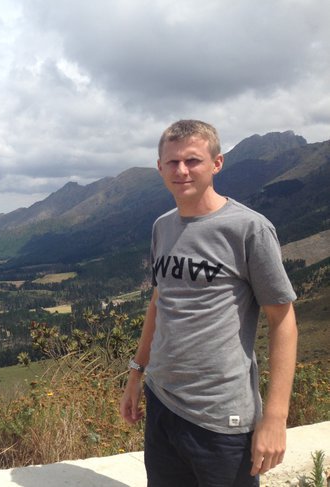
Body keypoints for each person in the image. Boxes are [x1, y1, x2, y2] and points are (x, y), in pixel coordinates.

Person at [119, 120, 298, 486]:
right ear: (160, 167)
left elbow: (283, 320)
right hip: (162, 403)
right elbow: (160, 299)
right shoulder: (162, 227)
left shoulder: (248, 229)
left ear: (216, 163)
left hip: (222, 418)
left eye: (193, 160)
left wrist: (275, 418)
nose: (182, 170)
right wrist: (137, 373)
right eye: (172, 162)